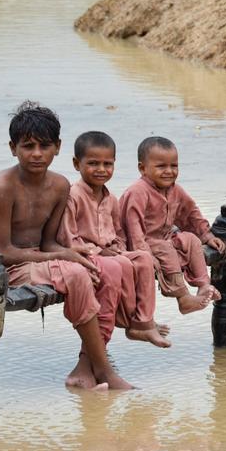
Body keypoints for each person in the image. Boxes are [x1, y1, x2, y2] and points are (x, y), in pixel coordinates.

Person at [0, 101, 133, 390]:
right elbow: (2, 253)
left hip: (39, 259)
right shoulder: (2, 187)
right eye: (28, 146)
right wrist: (66, 257)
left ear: (58, 147)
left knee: (105, 270)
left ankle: (86, 364)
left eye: (44, 146)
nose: (37, 154)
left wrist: (71, 253)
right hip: (2, 267)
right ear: (13, 148)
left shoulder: (60, 186)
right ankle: (105, 370)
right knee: (76, 274)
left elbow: (48, 241)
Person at [58, 131, 171, 348]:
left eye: (107, 164)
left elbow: (118, 233)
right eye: (93, 163)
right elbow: (69, 237)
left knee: (144, 259)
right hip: (87, 256)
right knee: (122, 265)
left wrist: (118, 248)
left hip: (112, 252)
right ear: (76, 163)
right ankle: (130, 320)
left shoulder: (111, 199)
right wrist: (99, 252)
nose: (101, 170)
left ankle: (143, 320)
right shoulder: (73, 196)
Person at [120, 136, 226, 314]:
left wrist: (207, 236)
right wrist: (145, 256)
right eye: (161, 166)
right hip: (139, 244)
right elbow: (133, 229)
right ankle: (183, 297)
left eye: (174, 166)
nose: (169, 171)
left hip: (165, 238)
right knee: (165, 248)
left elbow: (190, 214)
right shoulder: (137, 192)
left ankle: (204, 285)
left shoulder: (175, 189)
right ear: (142, 168)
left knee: (191, 239)